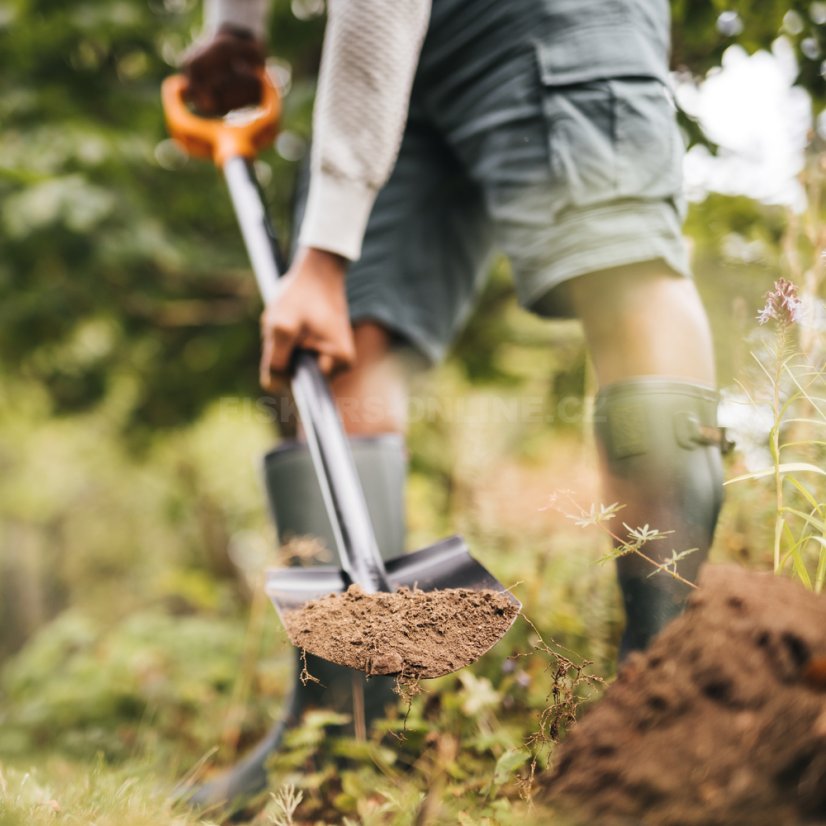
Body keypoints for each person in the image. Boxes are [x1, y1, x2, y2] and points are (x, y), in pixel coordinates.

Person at [182, 0, 725, 809]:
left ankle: (671, 707)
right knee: (339, 343)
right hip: (403, 53)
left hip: (549, 16)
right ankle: (343, 735)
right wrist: (236, 26)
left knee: (618, 264)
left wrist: (324, 252)